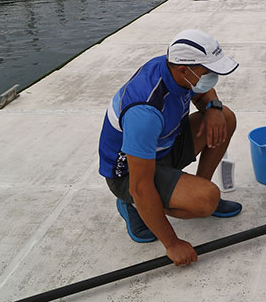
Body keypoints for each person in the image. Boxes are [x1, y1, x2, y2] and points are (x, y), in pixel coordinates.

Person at [98, 29, 240, 266]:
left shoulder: (174, 69)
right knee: (206, 199)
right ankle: (132, 205)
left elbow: (203, 91)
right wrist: (172, 244)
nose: (213, 77)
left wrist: (214, 108)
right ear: (184, 70)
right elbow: (141, 186)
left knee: (225, 117)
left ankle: (196, 186)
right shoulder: (144, 113)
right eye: (209, 71)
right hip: (129, 174)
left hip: (162, 147)